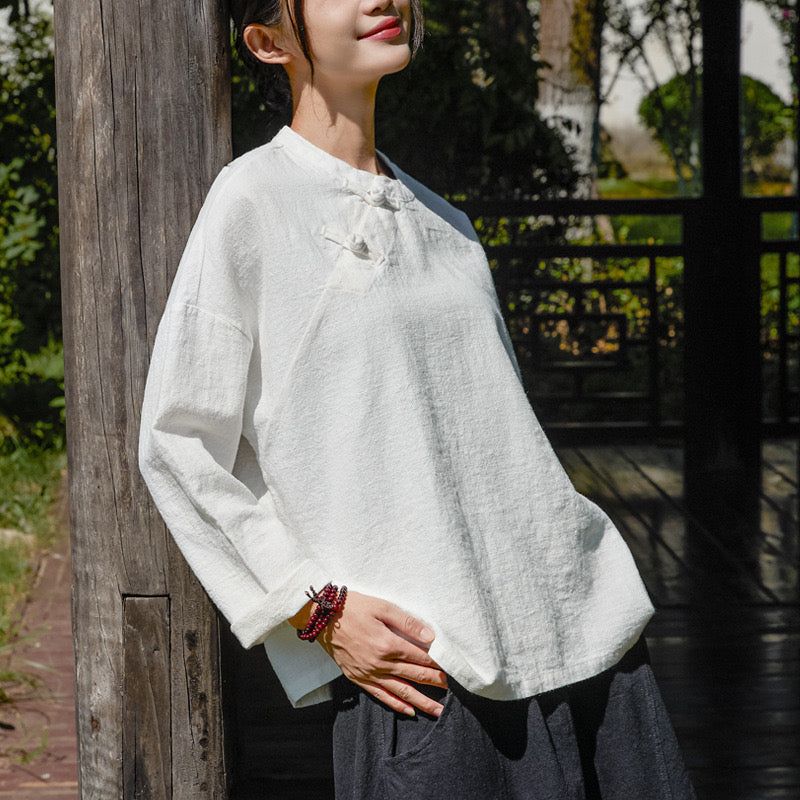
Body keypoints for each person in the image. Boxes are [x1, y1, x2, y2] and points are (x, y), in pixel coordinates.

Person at [139, 0, 697, 796]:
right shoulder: (253, 200)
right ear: (268, 41)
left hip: (582, 635)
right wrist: (317, 610)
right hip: (426, 669)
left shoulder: (447, 224)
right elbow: (178, 441)